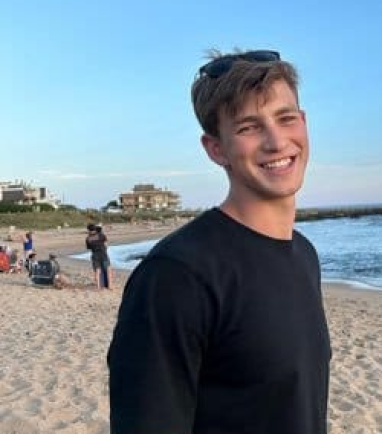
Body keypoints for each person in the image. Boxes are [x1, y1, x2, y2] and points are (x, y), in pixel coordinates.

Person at [108, 49, 331, 434]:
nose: (276, 141)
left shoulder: (304, 255)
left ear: (304, 122)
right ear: (216, 149)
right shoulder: (176, 276)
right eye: (248, 127)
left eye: (286, 118)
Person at [85, 223, 112, 289]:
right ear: (95, 228)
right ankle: (110, 286)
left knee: (97, 271)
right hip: (103, 254)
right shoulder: (101, 235)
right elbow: (106, 245)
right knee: (108, 269)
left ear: (88, 230)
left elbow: (89, 248)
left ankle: (98, 287)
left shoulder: (88, 238)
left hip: (94, 255)